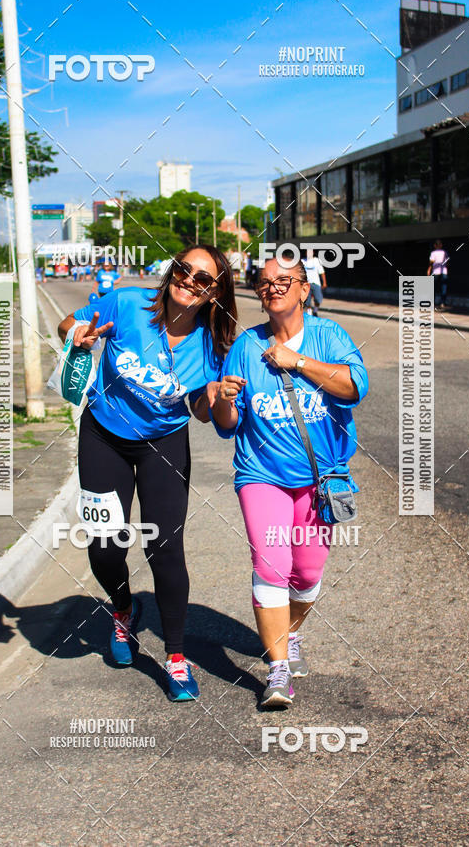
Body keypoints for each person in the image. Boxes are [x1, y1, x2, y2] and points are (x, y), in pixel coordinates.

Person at [58, 246, 237, 702]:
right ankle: (123, 610)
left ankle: (176, 657)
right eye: (183, 269)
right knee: (104, 545)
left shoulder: (214, 346)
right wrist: (79, 334)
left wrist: (213, 395)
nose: (188, 280)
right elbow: (69, 323)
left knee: (164, 547)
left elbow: (200, 412)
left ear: (214, 292)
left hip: (163, 445)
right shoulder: (127, 303)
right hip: (104, 436)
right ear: (171, 270)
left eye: (202, 278)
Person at [210, 256, 368, 707]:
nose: (274, 287)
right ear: (258, 295)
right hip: (262, 474)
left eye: (285, 281)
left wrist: (297, 361)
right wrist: (224, 400)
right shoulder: (244, 346)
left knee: (307, 576)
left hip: (321, 477)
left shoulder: (329, 336)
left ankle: (290, 633)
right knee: (271, 565)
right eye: (265, 283)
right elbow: (228, 423)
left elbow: (355, 386)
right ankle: (277, 672)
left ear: (304, 289)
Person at [302, 248, 327, 316]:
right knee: (307, 301)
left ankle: (315, 311)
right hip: (306, 284)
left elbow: (322, 272)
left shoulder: (317, 261)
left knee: (318, 299)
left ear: (313, 253)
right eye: (307, 252)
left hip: (316, 283)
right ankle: (309, 314)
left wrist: (324, 283)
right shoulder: (302, 261)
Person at [427, 239, 449, 308]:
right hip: (444, 271)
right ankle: (442, 303)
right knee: (444, 287)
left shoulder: (433, 253)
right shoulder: (444, 252)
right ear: (441, 245)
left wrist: (429, 270)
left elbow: (431, 262)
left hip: (435, 272)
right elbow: (447, 262)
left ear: (435, 245)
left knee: (433, 288)